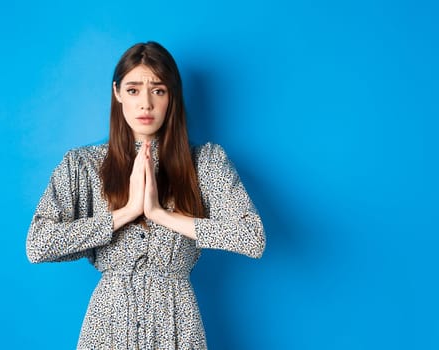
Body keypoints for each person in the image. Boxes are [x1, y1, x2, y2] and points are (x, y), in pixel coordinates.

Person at [26, 41, 266, 349]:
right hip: (107, 326)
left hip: (177, 323)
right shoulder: (82, 165)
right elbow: (38, 245)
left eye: (159, 90)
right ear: (117, 93)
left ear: (172, 97)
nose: (146, 104)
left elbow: (251, 237)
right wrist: (125, 213)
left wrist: (160, 214)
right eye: (134, 89)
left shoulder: (206, 163)